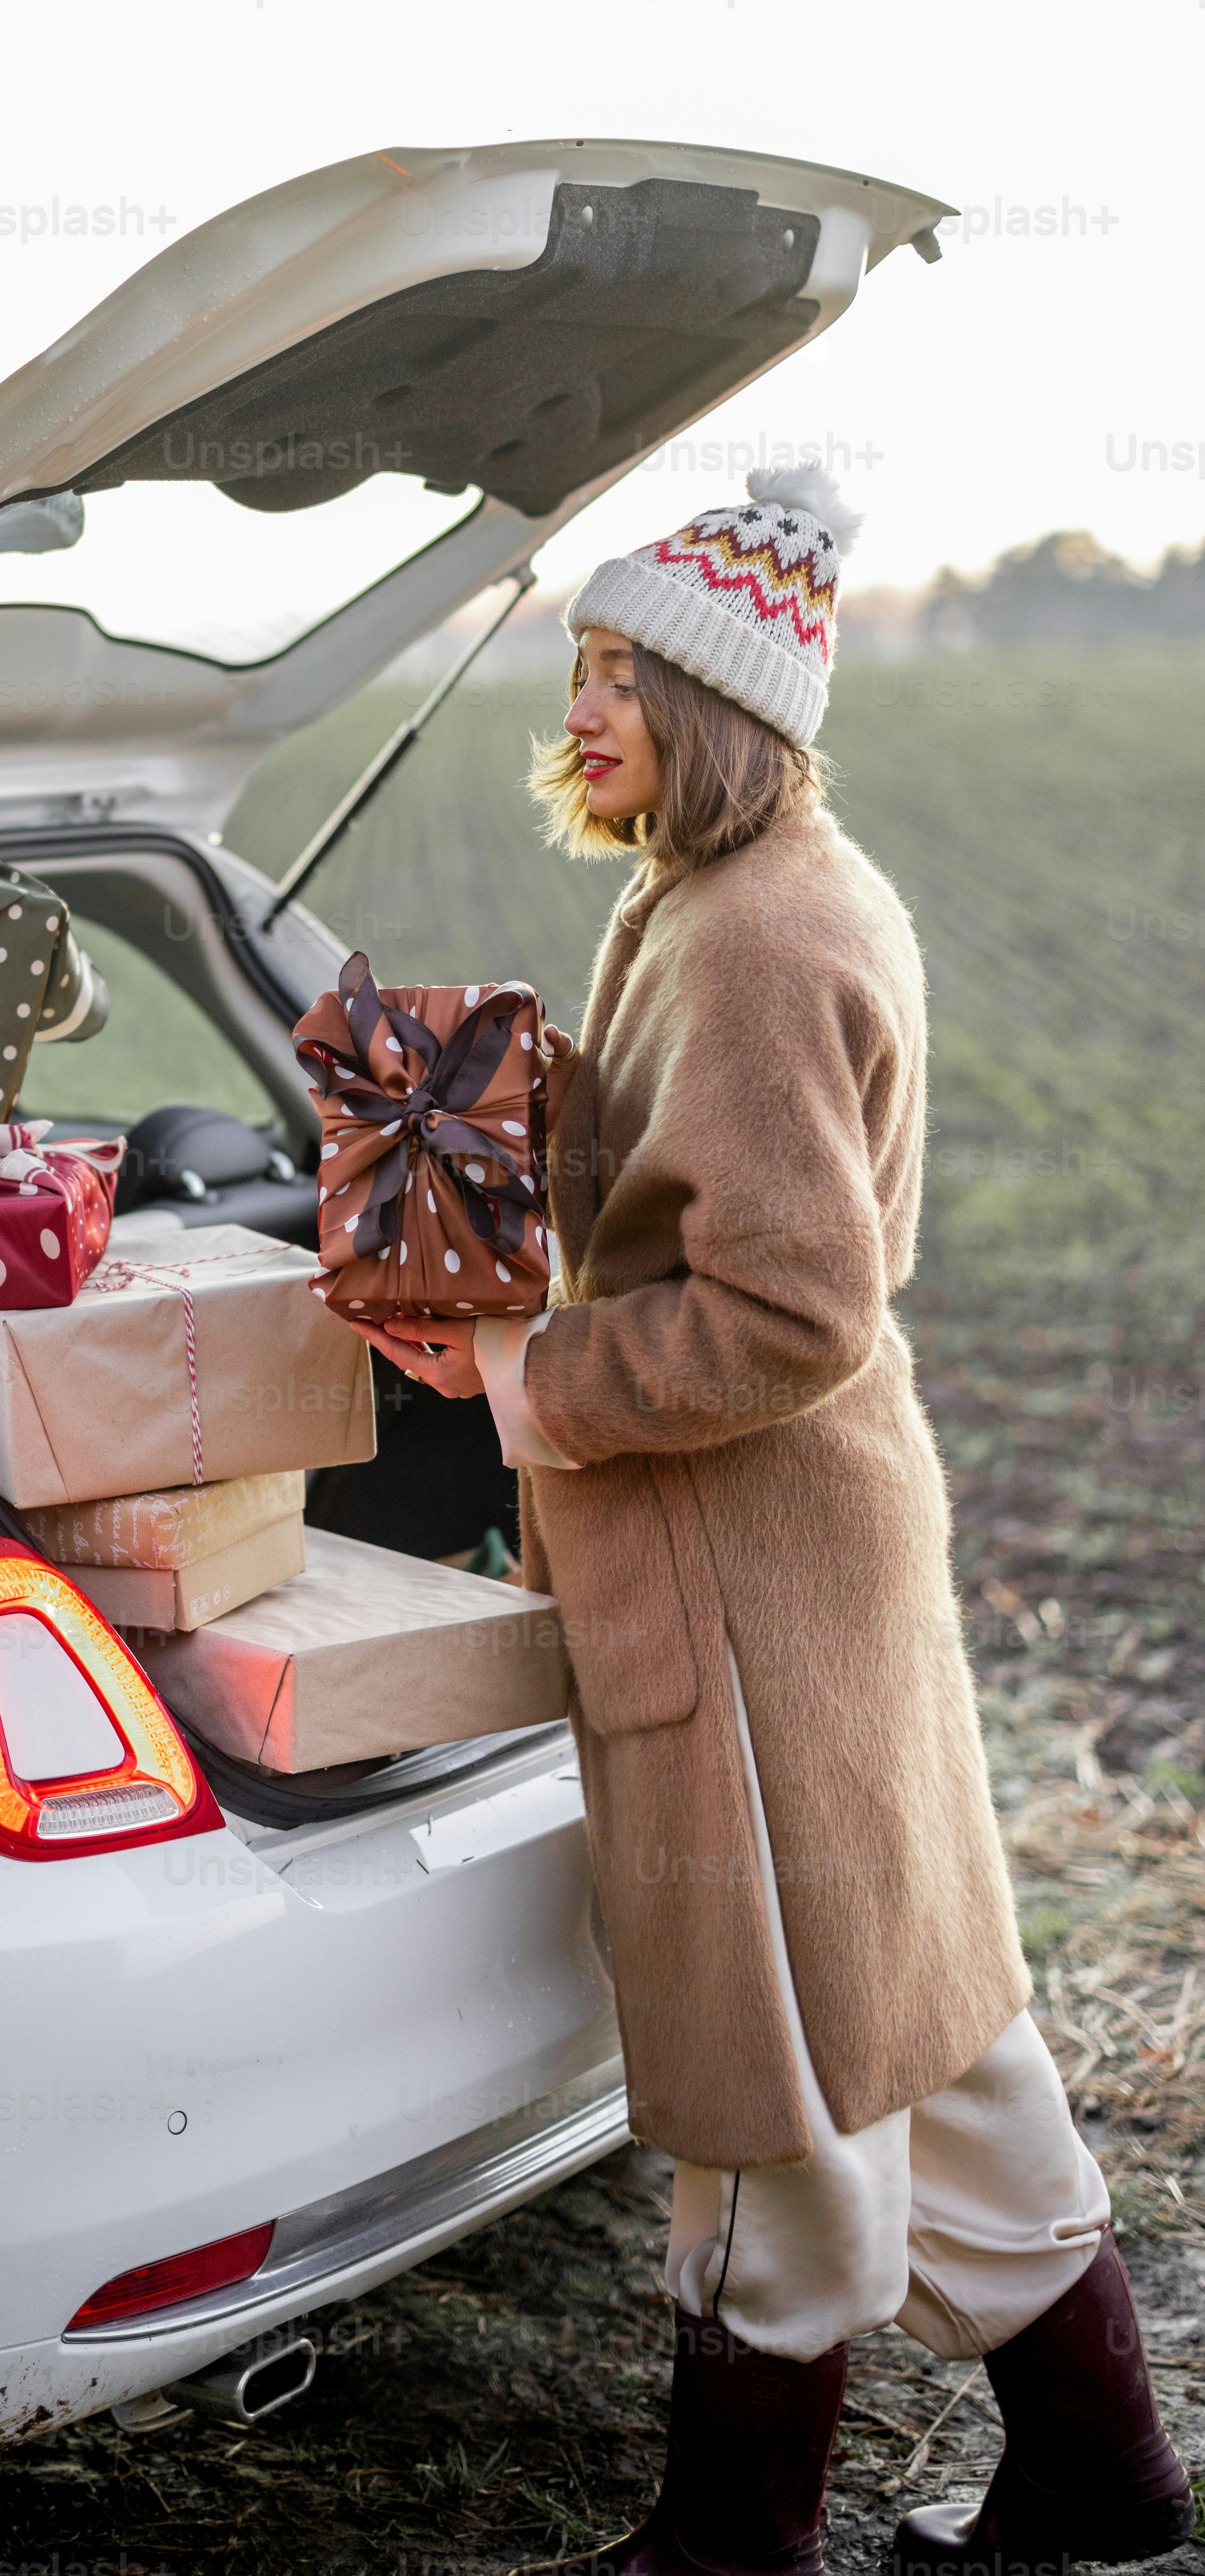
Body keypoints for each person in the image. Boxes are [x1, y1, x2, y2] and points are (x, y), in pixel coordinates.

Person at [340, 473, 1192, 2576]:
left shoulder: (753, 934)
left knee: (773, 2068)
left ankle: (730, 2546)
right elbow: (725, 1201)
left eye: (625, 673)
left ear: (720, 698)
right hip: (812, 1558)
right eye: (579, 666)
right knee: (926, 2014)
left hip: (735, 1569)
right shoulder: (739, 891)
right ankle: (1102, 2499)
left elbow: (790, 1306)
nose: (585, 706)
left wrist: (531, 1381)